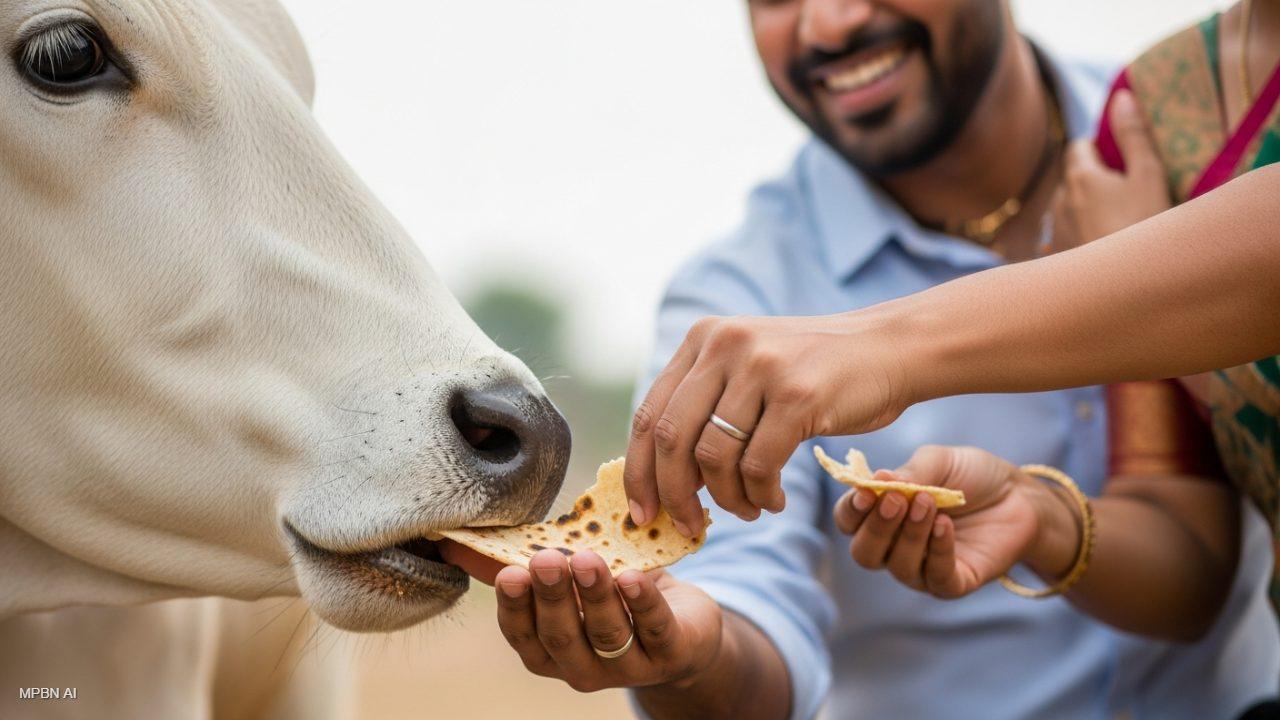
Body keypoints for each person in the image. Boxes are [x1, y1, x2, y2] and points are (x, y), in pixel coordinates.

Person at [442, 2, 1280, 719]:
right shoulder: (737, 299)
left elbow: (1195, 572)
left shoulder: (1183, 136)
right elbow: (750, 616)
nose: (830, 23)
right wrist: (687, 653)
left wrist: (893, 347)